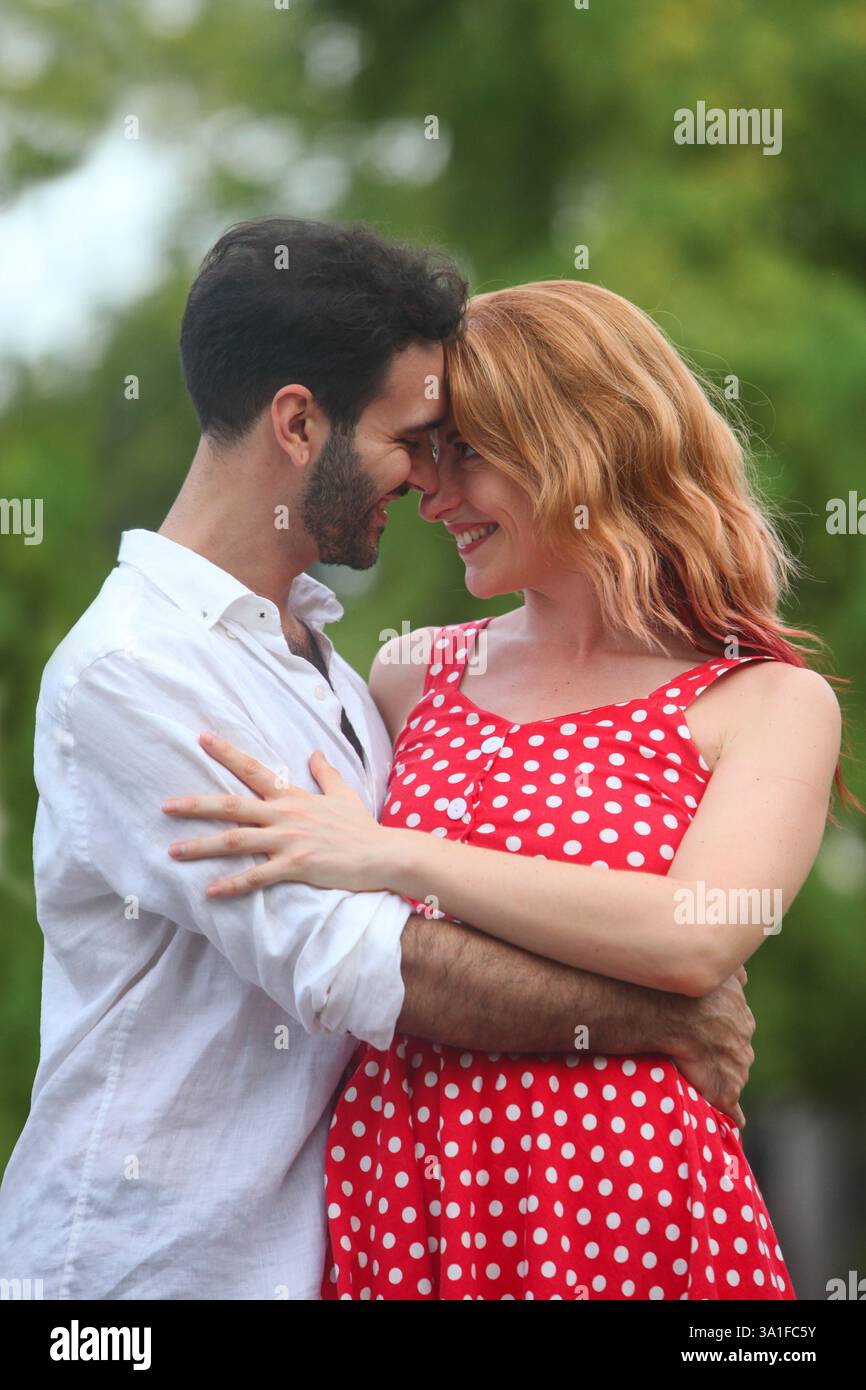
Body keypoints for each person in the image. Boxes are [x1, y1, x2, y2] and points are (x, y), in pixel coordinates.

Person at [0, 227, 751, 1302]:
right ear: (299, 424)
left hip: (307, 1265)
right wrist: (663, 1018)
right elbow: (363, 960)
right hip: (143, 1275)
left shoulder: (330, 671)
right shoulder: (134, 674)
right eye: (415, 437)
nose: (429, 476)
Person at [163, 281, 847, 1300]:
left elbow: (693, 934)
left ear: (580, 446)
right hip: (406, 1195)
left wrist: (392, 853)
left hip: (617, 1198)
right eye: (426, 454)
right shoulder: (406, 674)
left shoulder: (762, 702)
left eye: (466, 454)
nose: (430, 495)